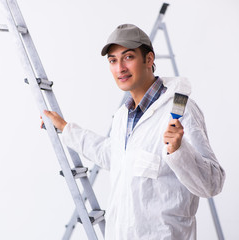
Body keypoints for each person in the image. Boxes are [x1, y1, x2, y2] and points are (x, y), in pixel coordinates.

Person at [43, 24, 225, 239]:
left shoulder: (181, 110)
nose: (120, 68)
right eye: (113, 60)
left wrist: (179, 150)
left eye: (128, 57)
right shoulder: (124, 115)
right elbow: (112, 156)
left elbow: (212, 184)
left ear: (149, 59)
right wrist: (65, 129)